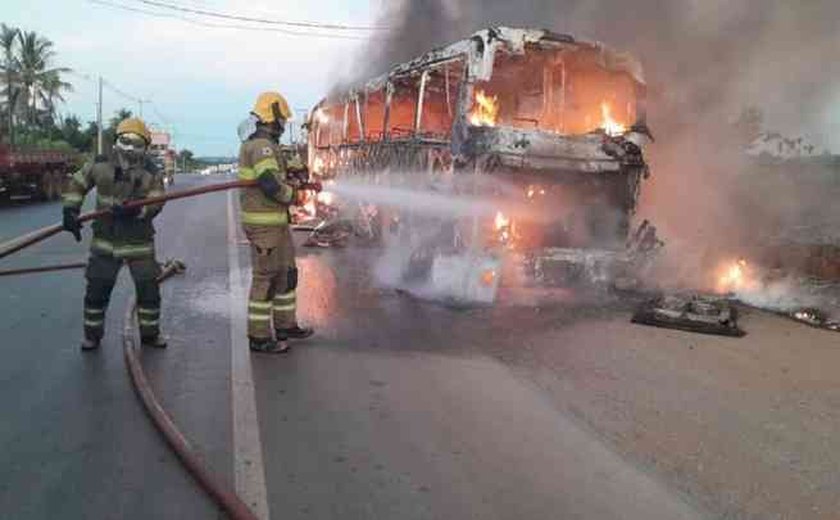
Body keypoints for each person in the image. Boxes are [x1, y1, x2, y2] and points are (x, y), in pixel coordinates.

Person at [62, 117, 167, 350]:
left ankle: (150, 335)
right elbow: (78, 184)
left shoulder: (151, 171)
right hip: (105, 241)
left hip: (139, 242)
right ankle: (92, 335)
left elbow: (157, 200)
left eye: (137, 143)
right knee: (96, 290)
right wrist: (70, 210)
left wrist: (137, 210)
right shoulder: (100, 164)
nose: (130, 147)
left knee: (148, 291)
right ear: (117, 141)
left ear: (145, 146)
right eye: (125, 141)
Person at [237, 91, 318, 353]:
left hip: (276, 224)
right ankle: (259, 337)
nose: (283, 124)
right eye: (282, 119)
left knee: (286, 275)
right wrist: (295, 195)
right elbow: (270, 183)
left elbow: (278, 173)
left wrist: (295, 171)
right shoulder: (261, 147)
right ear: (272, 117)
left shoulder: (269, 146)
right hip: (264, 227)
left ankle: (285, 325)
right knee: (266, 279)